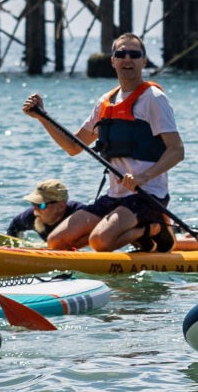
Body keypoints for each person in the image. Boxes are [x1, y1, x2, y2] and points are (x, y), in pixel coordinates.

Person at [25, 32, 184, 252]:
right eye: (121, 54)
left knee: (100, 242)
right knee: (56, 241)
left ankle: (156, 229)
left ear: (144, 61)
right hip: (114, 195)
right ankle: (135, 233)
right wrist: (42, 117)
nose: (127, 59)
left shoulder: (154, 98)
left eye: (134, 54)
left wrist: (143, 176)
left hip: (148, 196)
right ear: (113, 60)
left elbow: (177, 151)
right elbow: (73, 147)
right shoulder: (105, 103)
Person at [7, 179, 72, 240]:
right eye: (34, 203)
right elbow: (14, 226)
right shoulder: (31, 216)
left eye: (41, 205)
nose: (35, 209)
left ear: (61, 206)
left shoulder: (74, 216)